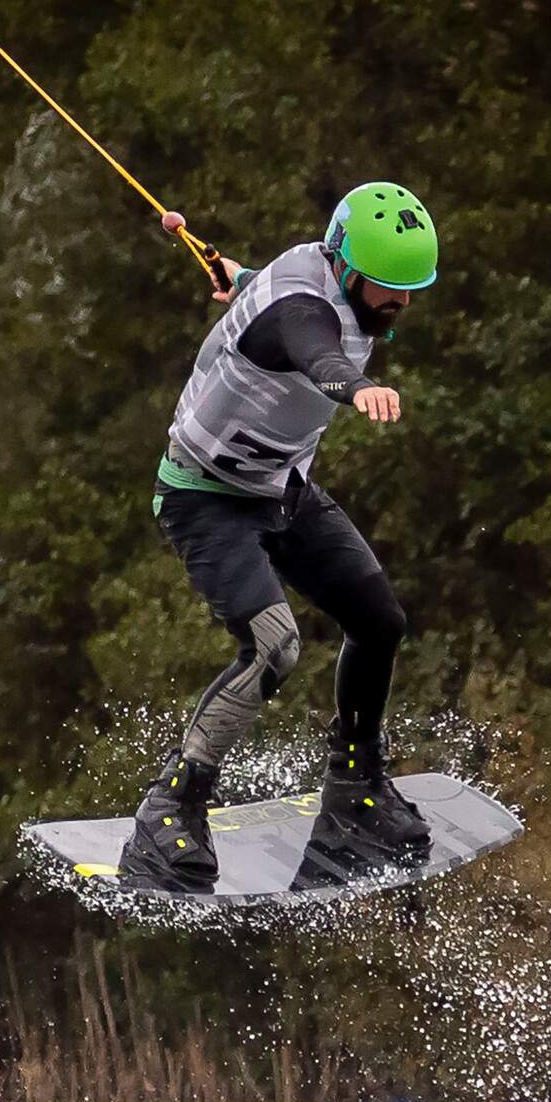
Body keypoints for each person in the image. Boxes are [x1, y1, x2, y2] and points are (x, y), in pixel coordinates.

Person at [117, 182, 438, 893]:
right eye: (390, 288)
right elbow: (311, 345)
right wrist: (355, 388)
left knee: (379, 621)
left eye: (411, 290)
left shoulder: (311, 277)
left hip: (280, 493)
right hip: (206, 499)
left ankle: (355, 790)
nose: (402, 304)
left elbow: (273, 293)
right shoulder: (303, 313)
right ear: (348, 268)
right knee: (274, 645)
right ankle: (170, 806)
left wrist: (234, 274)